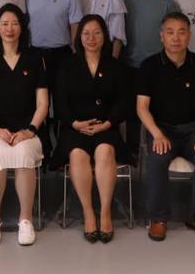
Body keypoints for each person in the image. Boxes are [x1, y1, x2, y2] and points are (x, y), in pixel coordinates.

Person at [137, 12, 195, 242]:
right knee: (157, 157)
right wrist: (157, 134)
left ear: (189, 36)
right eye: (170, 32)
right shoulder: (149, 65)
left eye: (181, 32)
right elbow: (142, 108)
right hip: (162, 129)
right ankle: (158, 218)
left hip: (194, 131)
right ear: (161, 36)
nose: (176, 38)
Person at [0, 4, 48, 246]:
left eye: (14, 23)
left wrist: (30, 130)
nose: (9, 28)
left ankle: (25, 220)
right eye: (4, 24)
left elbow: (42, 103)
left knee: (24, 153)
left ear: (22, 28)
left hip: (27, 131)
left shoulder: (35, 59)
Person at [53, 14, 129, 243]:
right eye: (86, 33)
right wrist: (74, 123)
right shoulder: (67, 65)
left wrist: (107, 123)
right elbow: (60, 102)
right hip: (75, 127)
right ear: (79, 37)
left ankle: (105, 212)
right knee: (77, 154)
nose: (91, 38)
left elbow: (123, 102)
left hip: (106, 126)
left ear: (105, 36)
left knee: (105, 151)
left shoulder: (115, 66)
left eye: (97, 33)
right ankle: (88, 213)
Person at [25, 0, 83, 154]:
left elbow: (75, 29)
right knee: (36, 105)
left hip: (62, 56)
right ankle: (41, 149)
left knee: (62, 105)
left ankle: (62, 151)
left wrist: (76, 58)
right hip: (34, 56)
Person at [123, 0, 179, 158]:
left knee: (159, 110)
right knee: (132, 112)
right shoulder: (126, 3)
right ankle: (133, 153)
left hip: (159, 66)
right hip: (131, 65)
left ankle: (159, 149)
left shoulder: (167, 4)